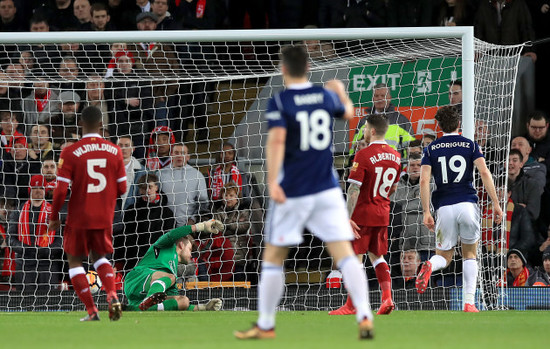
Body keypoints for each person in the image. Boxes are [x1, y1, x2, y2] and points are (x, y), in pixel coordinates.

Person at [234, 46, 374, 340]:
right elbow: (348, 113)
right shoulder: (324, 96)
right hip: (326, 187)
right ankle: (364, 315)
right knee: (344, 253)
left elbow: (276, 142)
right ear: (308, 67)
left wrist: (273, 181)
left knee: (273, 256)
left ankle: (266, 324)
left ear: (283, 69)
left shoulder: (281, 101)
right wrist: (340, 91)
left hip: (294, 189)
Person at [416, 105, 502, 312]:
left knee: (444, 257)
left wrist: (427, 211)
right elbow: (484, 173)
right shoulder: (470, 145)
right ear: (459, 125)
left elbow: (424, 180)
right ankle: (469, 303)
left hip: (444, 206)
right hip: (467, 204)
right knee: (470, 254)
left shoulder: (431, 148)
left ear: (439, 126)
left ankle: (430, 265)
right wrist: (496, 203)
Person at [48, 106, 127, 322]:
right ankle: (112, 294)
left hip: (79, 216)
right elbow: (122, 188)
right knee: (100, 257)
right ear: (102, 124)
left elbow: (61, 190)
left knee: (74, 261)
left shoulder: (70, 152)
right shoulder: (115, 150)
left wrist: (54, 216)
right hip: (104, 216)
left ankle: (92, 311)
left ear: (81, 124)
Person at [329, 113, 401, 316]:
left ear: (372, 131)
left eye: (365, 129)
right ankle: (387, 297)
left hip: (362, 215)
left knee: (354, 259)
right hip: (382, 212)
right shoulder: (396, 155)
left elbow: (353, 190)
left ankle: (352, 305)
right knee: (377, 256)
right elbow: (393, 188)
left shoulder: (363, 155)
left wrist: (347, 217)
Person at [124, 219, 224, 312]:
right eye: (189, 249)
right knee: (169, 277)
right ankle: (150, 300)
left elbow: (175, 300)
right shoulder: (164, 246)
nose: (190, 255)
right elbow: (172, 234)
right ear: (181, 245)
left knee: (183, 300)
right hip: (137, 278)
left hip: (141, 295)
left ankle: (136, 308)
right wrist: (200, 226)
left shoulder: (172, 273)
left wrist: (204, 307)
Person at [7, 175, 63, 292]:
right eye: (35, 188)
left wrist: (47, 250)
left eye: (41, 188)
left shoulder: (54, 212)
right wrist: (25, 249)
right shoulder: (18, 211)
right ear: (30, 190)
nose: (38, 191)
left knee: (49, 302)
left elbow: (61, 239)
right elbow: (10, 238)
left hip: (48, 263)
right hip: (24, 263)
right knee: (25, 302)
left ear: (45, 190)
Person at [122, 173, 176, 272]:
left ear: (156, 187)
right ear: (139, 190)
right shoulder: (131, 211)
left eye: (150, 187)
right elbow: (128, 237)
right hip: (136, 261)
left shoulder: (167, 212)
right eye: (143, 188)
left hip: (159, 260)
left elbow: (169, 237)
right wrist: (140, 254)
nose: (147, 191)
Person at [349, 83, 415, 157]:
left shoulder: (401, 121)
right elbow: (354, 148)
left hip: (393, 165)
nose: (379, 98)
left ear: (389, 98)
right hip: (368, 164)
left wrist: (404, 167)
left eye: (383, 96)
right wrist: (352, 163)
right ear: (373, 98)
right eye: (376, 96)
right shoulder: (364, 121)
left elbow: (411, 148)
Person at [393, 153, 435, 262]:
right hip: (405, 242)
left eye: (418, 165)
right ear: (407, 167)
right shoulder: (399, 184)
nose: (415, 167)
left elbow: (430, 205)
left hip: (427, 242)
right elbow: (394, 203)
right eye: (412, 165)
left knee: (428, 276)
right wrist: (415, 197)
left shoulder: (432, 184)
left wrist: (406, 203)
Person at [158, 143, 209, 227]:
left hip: (187, 226)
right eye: (176, 153)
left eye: (182, 153)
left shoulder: (197, 175)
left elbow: (204, 203)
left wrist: (193, 219)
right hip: (164, 225)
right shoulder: (160, 174)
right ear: (171, 155)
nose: (179, 156)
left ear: (188, 157)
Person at [507, 149, 541, 222]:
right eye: (508, 160)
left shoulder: (532, 184)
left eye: (514, 160)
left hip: (523, 227)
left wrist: (509, 208)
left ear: (521, 164)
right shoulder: (497, 184)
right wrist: (519, 207)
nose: (510, 163)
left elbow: (533, 213)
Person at [117, 136, 146, 209]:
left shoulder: (142, 171)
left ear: (133, 149)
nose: (123, 148)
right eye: (120, 145)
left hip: (131, 215)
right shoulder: (107, 168)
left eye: (127, 146)